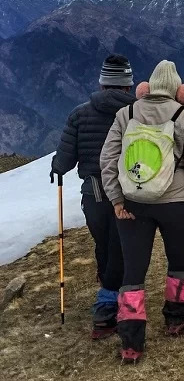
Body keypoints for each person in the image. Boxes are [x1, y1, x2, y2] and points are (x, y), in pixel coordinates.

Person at [98, 60, 184, 364]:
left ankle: (131, 341)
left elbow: (108, 160)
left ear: (147, 87)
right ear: (179, 91)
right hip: (177, 203)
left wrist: (117, 199)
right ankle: (176, 318)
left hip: (133, 202)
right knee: (177, 260)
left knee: (133, 269)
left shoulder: (126, 113)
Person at [51, 55, 138, 341]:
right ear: (128, 85)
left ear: (102, 83)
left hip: (94, 192)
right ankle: (111, 304)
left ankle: (107, 298)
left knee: (104, 243)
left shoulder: (80, 114)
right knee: (122, 246)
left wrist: (56, 167)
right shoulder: (137, 112)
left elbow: (64, 160)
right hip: (129, 191)